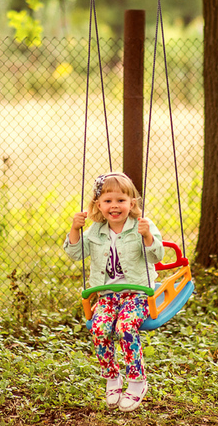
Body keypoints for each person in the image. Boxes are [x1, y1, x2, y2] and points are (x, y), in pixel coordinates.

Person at [64, 172, 164, 411]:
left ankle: (137, 381)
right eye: (108, 201)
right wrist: (75, 230)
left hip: (138, 292)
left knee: (125, 327)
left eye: (121, 200)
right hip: (107, 293)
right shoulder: (96, 230)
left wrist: (147, 236)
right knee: (99, 328)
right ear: (99, 205)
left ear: (131, 203)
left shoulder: (142, 226)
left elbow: (157, 256)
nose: (115, 206)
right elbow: (76, 254)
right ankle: (112, 377)